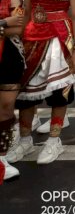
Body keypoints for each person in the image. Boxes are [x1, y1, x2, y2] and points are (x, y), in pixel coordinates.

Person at [7, 0, 75, 166]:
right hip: (32, 37)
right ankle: (26, 139)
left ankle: (54, 140)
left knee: (60, 92)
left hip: (59, 38)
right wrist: (16, 39)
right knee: (27, 93)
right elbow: (26, 12)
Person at [0, 12, 31, 181]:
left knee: (6, 108)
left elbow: (19, 28)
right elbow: (11, 26)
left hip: (8, 56)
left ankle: (1, 158)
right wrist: (4, 23)